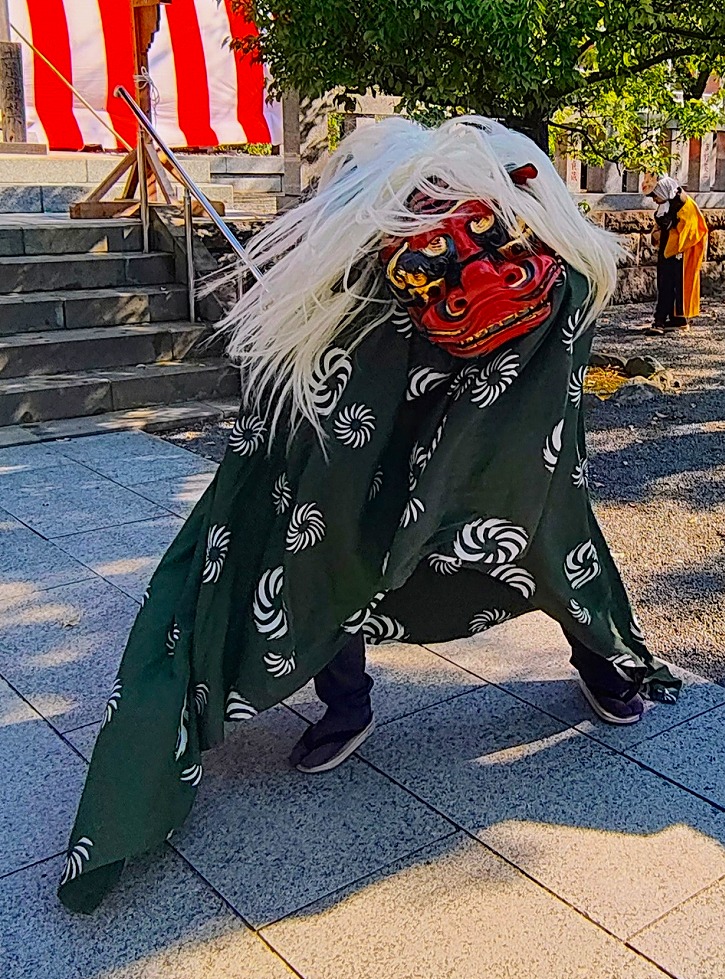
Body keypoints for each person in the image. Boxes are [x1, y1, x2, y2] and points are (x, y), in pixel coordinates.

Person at [58, 116, 681, 913]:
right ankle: (594, 669)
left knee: (343, 546)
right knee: (526, 533)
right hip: (457, 432)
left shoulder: (380, 234)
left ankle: (357, 705)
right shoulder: (523, 237)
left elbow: (298, 358)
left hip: (451, 426)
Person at [643, 175, 708, 335]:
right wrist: (658, 234)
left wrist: (673, 242)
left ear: (664, 192)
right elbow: (661, 226)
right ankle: (673, 319)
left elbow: (692, 230)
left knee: (673, 286)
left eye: (655, 195)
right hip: (669, 250)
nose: (654, 200)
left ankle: (661, 321)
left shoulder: (685, 205)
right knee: (667, 285)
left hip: (681, 253)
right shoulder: (667, 204)